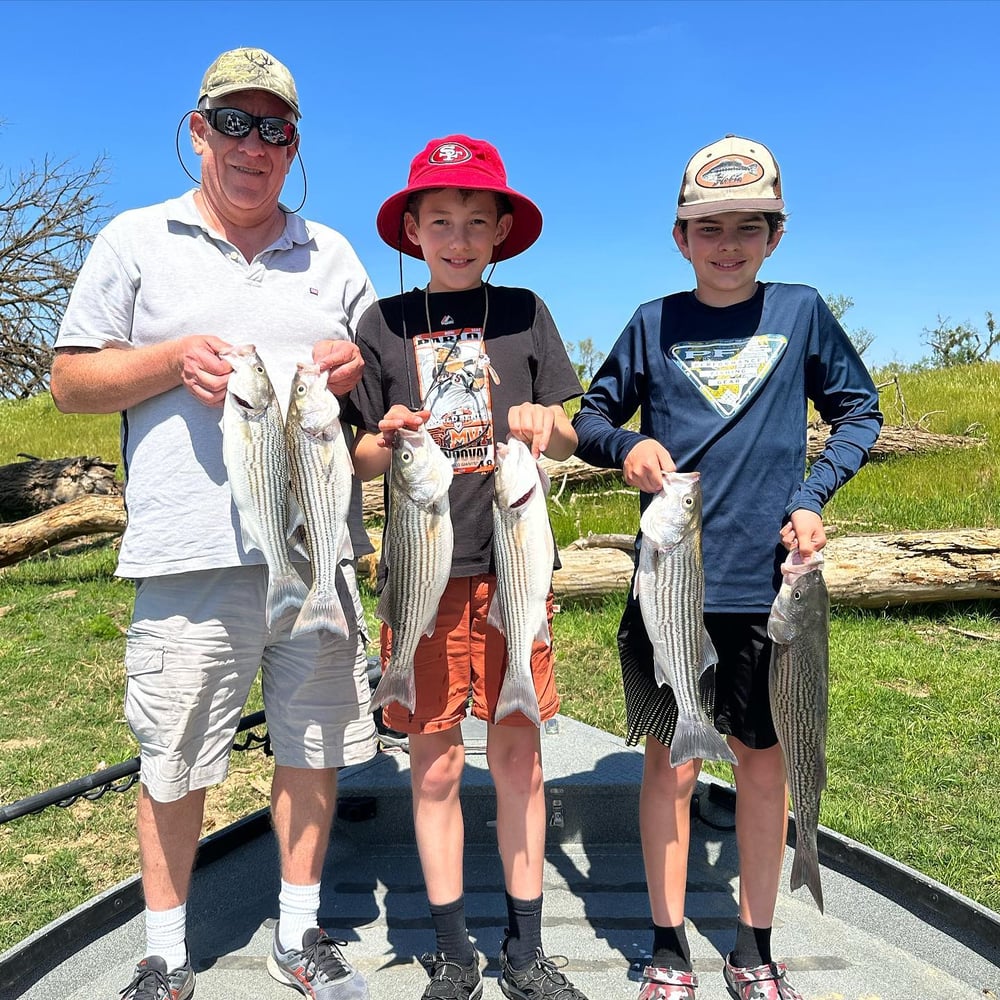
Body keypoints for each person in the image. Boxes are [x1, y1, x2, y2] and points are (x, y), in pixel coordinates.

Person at [50, 47, 377, 1000]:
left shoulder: (335, 255)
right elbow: (70, 380)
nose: (252, 146)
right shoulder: (134, 239)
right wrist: (171, 358)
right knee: (176, 754)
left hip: (316, 556)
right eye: (232, 122)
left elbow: (374, 396)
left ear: (294, 145)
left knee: (314, 745)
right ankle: (163, 951)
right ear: (198, 131)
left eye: (273, 128)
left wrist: (356, 369)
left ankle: (301, 935)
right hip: (189, 553)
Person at [572, 135, 883, 1000]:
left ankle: (754, 943)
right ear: (680, 237)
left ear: (776, 235)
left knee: (762, 758)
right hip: (670, 584)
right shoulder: (652, 322)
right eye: (709, 228)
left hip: (767, 589)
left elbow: (860, 411)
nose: (728, 243)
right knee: (670, 764)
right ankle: (668, 943)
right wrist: (628, 445)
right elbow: (594, 415)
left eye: (750, 226)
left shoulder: (802, 312)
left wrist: (815, 494)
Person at [348, 135, 589, 1000]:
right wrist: (388, 435)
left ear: (499, 234)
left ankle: (525, 949)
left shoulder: (525, 312)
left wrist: (541, 424)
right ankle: (454, 949)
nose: (457, 237)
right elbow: (365, 460)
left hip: (513, 569)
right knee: (438, 765)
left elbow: (567, 433)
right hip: (421, 578)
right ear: (412, 229)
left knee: (520, 762)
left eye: (475, 222)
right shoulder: (383, 324)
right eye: (440, 220)